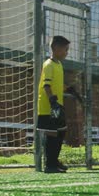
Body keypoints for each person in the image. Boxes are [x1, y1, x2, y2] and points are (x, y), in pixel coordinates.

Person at [37, 36, 70, 173]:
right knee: (52, 134)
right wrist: (52, 101)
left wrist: (68, 89)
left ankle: (54, 161)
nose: (67, 52)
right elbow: (46, 86)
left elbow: (56, 84)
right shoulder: (48, 64)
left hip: (57, 105)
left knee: (61, 132)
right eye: (65, 49)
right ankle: (49, 165)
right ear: (56, 48)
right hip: (48, 107)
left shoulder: (59, 64)